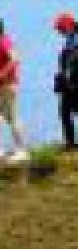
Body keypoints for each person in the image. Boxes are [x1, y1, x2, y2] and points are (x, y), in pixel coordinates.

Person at [0, 14, 29, 161]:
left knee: (12, 117)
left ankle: (22, 150)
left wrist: (0, 76)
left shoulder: (4, 42)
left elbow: (15, 59)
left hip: (8, 85)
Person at [54, 12, 78, 149]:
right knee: (64, 111)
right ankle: (70, 143)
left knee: (66, 111)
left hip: (75, 82)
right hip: (70, 83)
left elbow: (72, 61)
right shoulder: (70, 40)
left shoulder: (74, 40)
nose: (60, 32)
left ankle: (71, 143)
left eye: (61, 29)